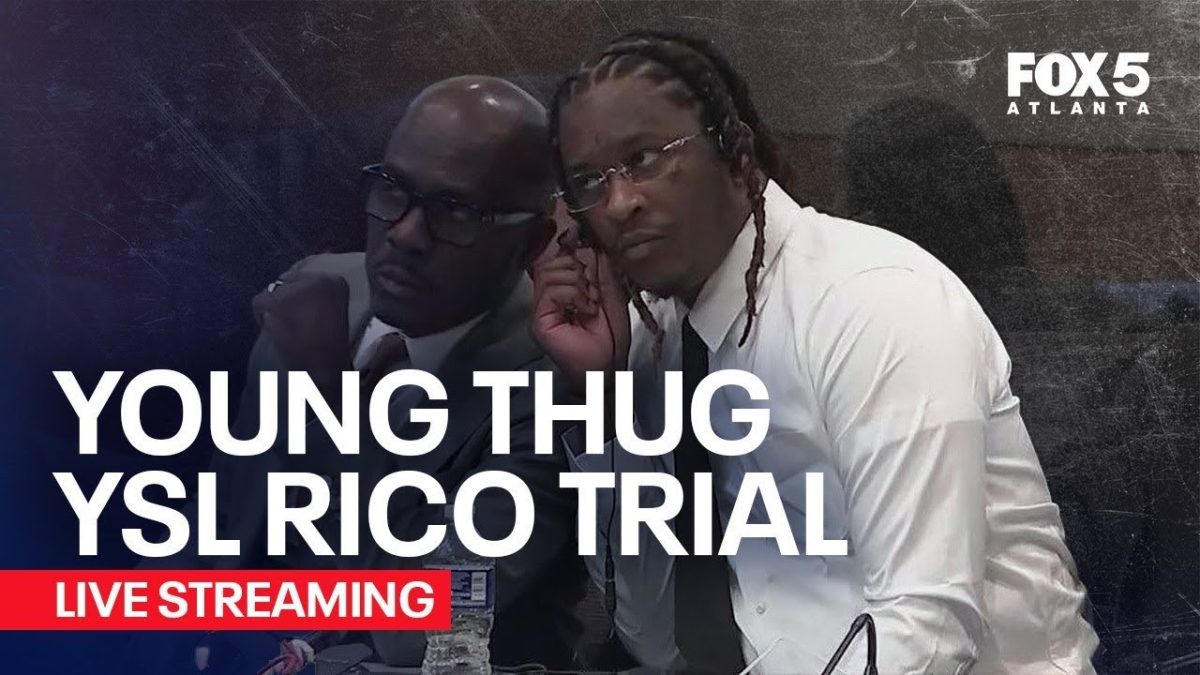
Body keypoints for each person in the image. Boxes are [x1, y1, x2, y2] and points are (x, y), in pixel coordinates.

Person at [530, 31, 1099, 674]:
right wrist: (607, 398)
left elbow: (929, 634)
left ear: (733, 149)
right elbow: (658, 638)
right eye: (589, 182)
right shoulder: (658, 339)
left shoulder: (869, 300)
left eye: (644, 158)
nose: (620, 202)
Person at [135, 75, 585, 673]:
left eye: (457, 211)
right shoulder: (319, 287)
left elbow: (420, 625)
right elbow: (221, 515)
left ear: (531, 243)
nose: (405, 234)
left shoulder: (557, 389)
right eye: (393, 190)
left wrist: (330, 401)